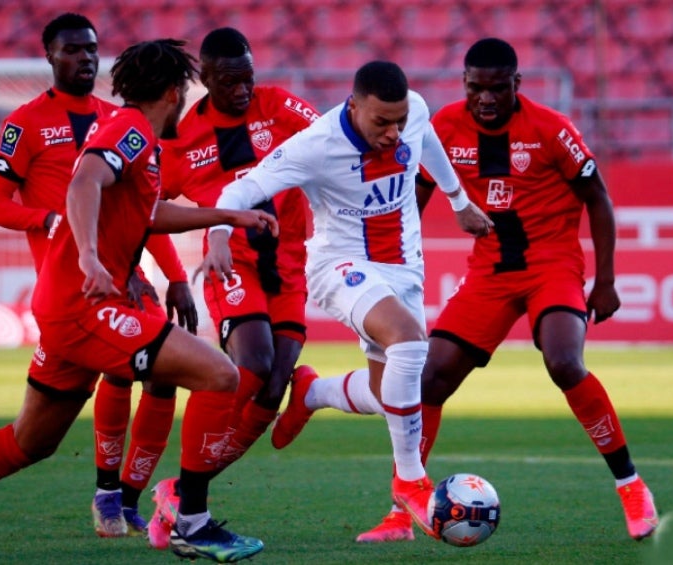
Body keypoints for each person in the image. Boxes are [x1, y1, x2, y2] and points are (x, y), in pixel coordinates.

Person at [0, 39, 276, 564]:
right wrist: (89, 256)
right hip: (85, 306)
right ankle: (191, 521)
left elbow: (147, 216)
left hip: (64, 309)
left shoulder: (134, 136)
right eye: (188, 93)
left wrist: (227, 215)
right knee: (222, 374)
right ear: (174, 93)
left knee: (30, 442)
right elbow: (84, 183)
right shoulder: (129, 130)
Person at [268, 38, 660, 544]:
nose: (486, 99)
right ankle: (398, 511)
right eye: (476, 88)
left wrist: (605, 280)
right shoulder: (442, 125)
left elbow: (598, 199)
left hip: (552, 265)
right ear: (464, 85)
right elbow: (411, 195)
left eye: (497, 88)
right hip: (489, 274)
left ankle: (632, 487)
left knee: (564, 361)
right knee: (426, 379)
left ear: (516, 84)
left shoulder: (551, 129)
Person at [201, 60, 492, 541]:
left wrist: (459, 201)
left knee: (392, 392)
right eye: (382, 122)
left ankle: (313, 392)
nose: (394, 132)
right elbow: (243, 186)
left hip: (405, 268)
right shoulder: (317, 144)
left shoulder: (412, 111)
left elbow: (428, 143)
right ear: (353, 106)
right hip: (340, 264)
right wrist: (216, 230)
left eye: (399, 120)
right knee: (407, 339)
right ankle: (409, 482)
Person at [0, 13, 197, 538]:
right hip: (72, 282)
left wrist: (175, 275)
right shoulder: (24, 123)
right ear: (50, 57)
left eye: (92, 49)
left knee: (163, 376)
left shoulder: (118, 118)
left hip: (124, 273)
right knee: (121, 374)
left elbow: (144, 206)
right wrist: (48, 219)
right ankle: (108, 494)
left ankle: (127, 497)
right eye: (73, 50)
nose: (85, 58)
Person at [148, 27, 317, 548]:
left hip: (289, 263)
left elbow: (335, 135)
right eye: (229, 81)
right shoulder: (182, 139)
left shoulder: (281, 105)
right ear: (205, 77)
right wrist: (152, 268)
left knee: (270, 389)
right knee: (255, 363)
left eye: (248, 78)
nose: (242, 89)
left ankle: (178, 493)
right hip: (231, 266)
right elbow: (145, 208)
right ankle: (189, 504)